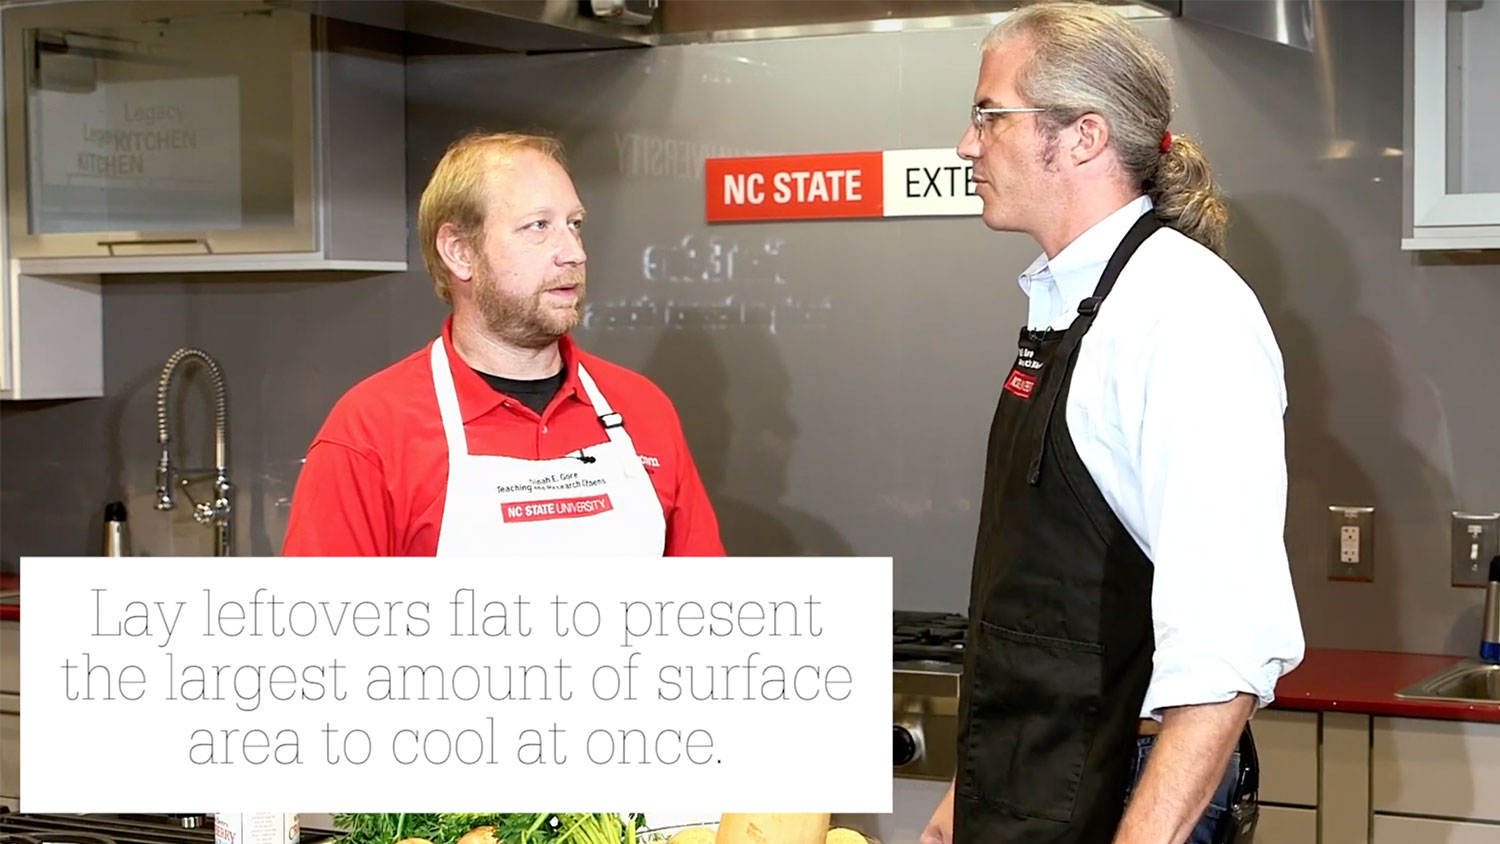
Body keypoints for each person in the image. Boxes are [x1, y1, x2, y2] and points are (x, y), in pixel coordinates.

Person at [924, 3, 1305, 844]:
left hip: (1126, 783)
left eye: (990, 114)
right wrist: (970, 790)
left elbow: (1225, 644)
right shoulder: (1069, 303)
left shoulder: (1183, 312)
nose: (965, 144)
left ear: (1084, 136)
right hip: (1034, 768)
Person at [282, 131, 725, 558]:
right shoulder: (370, 435)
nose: (574, 252)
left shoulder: (644, 410)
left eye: (574, 225)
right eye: (538, 226)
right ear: (459, 251)